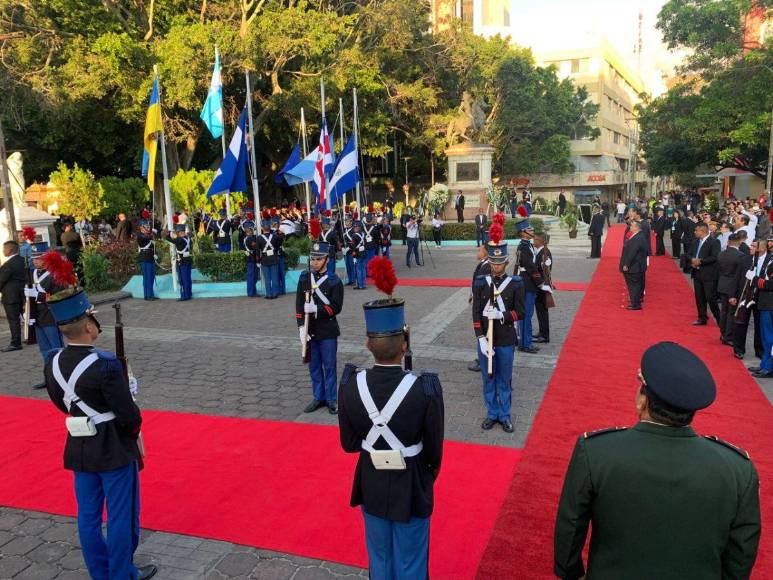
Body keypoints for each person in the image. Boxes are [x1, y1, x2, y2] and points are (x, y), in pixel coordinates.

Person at [554, 342, 760, 580]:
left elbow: (570, 530)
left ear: (643, 401)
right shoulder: (737, 469)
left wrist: (571, 573)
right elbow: (742, 553)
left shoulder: (596, 451)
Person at [43, 284, 157, 580]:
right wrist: (130, 405)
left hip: (80, 446)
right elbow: (129, 416)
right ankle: (122, 574)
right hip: (114, 448)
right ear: (89, 328)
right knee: (121, 516)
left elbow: (60, 403)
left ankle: (100, 573)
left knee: (89, 517)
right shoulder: (104, 364)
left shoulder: (52, 361)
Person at [337, 282, 444, 580]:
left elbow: (348, 443)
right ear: (404, 346)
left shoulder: (349, 384)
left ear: (368, 344)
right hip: (412, 481)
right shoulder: (426, 387)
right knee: (411, 560)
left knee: (380, 557)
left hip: (371, 480)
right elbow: (434, 451)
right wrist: (427, 474)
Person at [472, 217, 525, 432]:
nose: (495, 267)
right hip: (486, 339)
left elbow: (521, 312)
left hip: (504, 339)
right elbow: (476, 312)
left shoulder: (515, 284)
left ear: (506, 263)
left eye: (499, 263)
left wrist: (501, 315)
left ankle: (504, 414)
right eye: (493, 263)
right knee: (488, 378)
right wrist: (481, 338)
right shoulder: (480, 283)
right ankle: (491, 413)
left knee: (504, 379)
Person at [297, 240, 344, 414]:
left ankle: (332, 399)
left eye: (318, 259)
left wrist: (317, 309)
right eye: (312, 259)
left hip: (328, 330)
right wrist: (301, 327)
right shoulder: (304, 278)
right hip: (310, 330)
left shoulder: (334, 281)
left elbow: (336, 307)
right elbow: (299, 304)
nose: (314, 262)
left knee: (329, 365)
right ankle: (319, 397)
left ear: (327, 260)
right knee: (314, 366)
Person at [28, 251, 67, 387]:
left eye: (38, 258)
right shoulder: (31, 273)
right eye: (33, 259)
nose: (35, 261)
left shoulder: (55, 274)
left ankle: (62, 377)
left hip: (51, 316)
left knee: (56, 348)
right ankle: (49, 377)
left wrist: (39, 296)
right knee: (44, 350)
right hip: (36, 316)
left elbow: (60, 296)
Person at [514, 219, 540, 353]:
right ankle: (525, 343)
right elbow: (530, 266)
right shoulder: (524, 247)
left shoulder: (526, 245)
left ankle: (524, 341)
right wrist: (540, 281)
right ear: (523, 233)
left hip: (527, 282)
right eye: (529, 230)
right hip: (527, 284)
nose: (532, 231)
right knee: (526, 315)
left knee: (525, 315)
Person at [717, 233, 747, 346]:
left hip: (722, 284)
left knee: (724, 311)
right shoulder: (741, 256)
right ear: (739, 242)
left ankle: (723, 333)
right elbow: (740, 274)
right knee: (731, 312)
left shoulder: (721, 254)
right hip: (733, 287)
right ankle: (728, 336)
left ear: (729, 242)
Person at [750, 236, 773, 378]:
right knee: (766, 337)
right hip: (765, 302)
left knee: (769, 337)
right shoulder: (770, 258)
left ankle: (768, 367)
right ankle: (765, 364)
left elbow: (770, 284)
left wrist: (756, 280)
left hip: (770, 303)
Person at [690, 223, 721, 325]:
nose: (694, 232)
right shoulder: (695, 241)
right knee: (699, 297)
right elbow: (689, 254)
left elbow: (715, 257)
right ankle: (702, 317)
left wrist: (701, 261)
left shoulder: (714, 242)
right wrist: (692, 260)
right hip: (697, 272)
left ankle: (719, 318)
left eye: (696, 230)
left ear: (702, 231)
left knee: (710, 297)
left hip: (709, 274)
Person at [467, 245, 492, 373]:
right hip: (480, 305)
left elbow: (483, 289)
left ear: (486, 253)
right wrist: (472, 294)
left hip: (484, 309)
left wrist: (476, 297)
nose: (478, 252)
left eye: (480, 250)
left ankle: (483, 361)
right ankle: (481, 358)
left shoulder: (487, 267)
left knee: (482, 333)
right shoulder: (483, 264)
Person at [0, 240, 25, 352]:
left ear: (10, 250)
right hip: (23, 294)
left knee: (13, 320)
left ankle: (15, 343)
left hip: (11, 296)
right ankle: (32, 337)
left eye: (4, 249)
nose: (3, 251)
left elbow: (1, 280)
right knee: (28, 317)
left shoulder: (8, 264)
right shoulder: (22, 260)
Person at [619, 220, 648, 310]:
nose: (630, 228)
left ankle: (635, 304)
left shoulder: (637, 238)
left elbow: (632, 253)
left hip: (634, 266)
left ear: (636, 228)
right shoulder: (640, 236)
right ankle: (635, 302)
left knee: (633, 285)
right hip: (637, 265)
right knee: (635, 285)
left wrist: (626, 264)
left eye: (631, 226)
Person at [163, 218, 193, 301]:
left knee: (182, 279)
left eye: (177, 232)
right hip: (188, 260)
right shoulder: (188, 239)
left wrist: (168, 234)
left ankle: (184, 296)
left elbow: (169, 239)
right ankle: (189, 293)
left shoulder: (180, 240)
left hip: (182, 262)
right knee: (188, 278)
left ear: (179, 232)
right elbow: (190, 235)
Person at [533, 233, 553, 344]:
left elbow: (546, 270)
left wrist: (543, 284)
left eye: (535, 239)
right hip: (540, 285)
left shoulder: (545, 252)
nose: (533, 240)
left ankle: (545, 335)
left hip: (543, 286)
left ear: (541, 241)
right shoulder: (540, 251)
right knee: (540, 311)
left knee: (542, 311)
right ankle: (541, 332)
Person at [257, 211, 281, 299]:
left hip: (264, 259)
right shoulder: (274, 236)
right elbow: (278, 245)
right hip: (274, 257)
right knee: (274, 277)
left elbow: (257, 251)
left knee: (267, 278)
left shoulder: (259, 238)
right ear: (270, 227)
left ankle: (269, 294)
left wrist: (258, 261)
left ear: (262, 228)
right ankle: (275, 293)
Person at [136, 213, 158, 301]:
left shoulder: (148, 234)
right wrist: (153, 233)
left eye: (148, 226)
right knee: (147, 277)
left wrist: (154, 233)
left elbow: (151, 237)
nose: (148, 228)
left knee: (152, 277)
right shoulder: (140, 235)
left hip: (150, 257)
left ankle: (151, 294)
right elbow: (147, 238)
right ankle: (147, 295)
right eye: (146, 226)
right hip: (144, 258)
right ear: (141, 227)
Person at [242, 215, 260, 298]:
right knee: (252, 277)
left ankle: (253, 291)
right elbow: (255, 246)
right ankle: (251, 292)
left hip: (251, 258)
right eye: (252, 228)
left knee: (254, 276)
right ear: (248, 230)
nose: (253, 230)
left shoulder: (250, 237)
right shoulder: (249, 238)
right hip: (251, 258)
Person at [319, 211, 339, 278]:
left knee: (326, 265)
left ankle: (327, 277)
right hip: (330, 251)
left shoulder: (321, 234)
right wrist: (336, 250)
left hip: (324, 251)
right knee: (330, 266)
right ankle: (330, 277)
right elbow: (336, 242)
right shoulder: (332, 233)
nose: (325, 226)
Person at [350, 219, 367, 290]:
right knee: (363, 269)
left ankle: (360, 285)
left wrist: (353, 253)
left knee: (359, 269)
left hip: (357, 254)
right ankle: (363, 284)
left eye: (356, 227)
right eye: (354, 227)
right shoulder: (363, 234)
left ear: (359, 227)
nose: (354, 228)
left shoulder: (354, 235)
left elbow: (353, 246)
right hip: (363, 252)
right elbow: (365, 243)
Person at [342, 214, 356, 286]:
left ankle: (353, 279)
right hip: (345, 251)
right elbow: (342, 241)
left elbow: (354, 241)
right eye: (345, 221)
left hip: (351, 251)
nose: (345, 222)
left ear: (351, 221)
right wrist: (342, 248)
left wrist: (348, 248)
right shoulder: (344, 230)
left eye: (346, 221)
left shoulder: (353, 230)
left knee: (351, 265)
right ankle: (350, 279)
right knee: (347, 266)